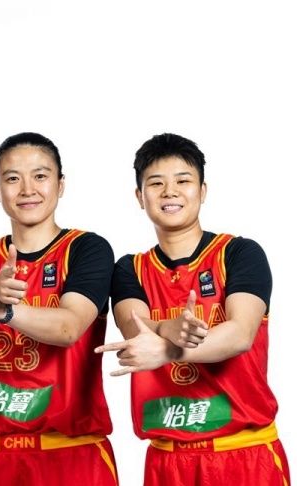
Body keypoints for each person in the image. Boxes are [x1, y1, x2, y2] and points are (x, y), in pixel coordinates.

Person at [95, 133, 290, 485]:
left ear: (202, 190)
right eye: (156, 183)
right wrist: (169, 327)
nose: (170, 192)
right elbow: (134, 327)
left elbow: (240, 334)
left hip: (245, 454)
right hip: (168, 460)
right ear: (140, 197)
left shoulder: (239, 254)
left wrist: (169, 348)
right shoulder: (130, 269)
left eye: (183, 181)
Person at [0, 132, 118, 485]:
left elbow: (69, 328)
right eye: (12, 179)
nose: (27, 189)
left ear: (60, 184)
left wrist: (1, 310)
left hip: (73, 453)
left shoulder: (87, 249)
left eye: (40, 176)